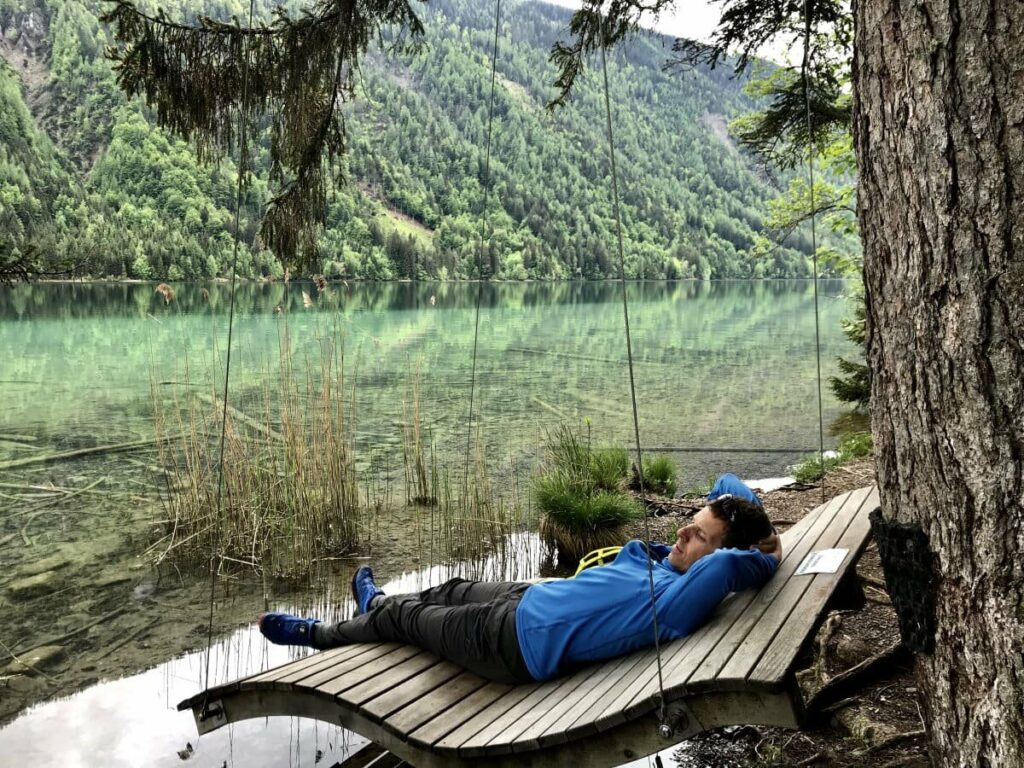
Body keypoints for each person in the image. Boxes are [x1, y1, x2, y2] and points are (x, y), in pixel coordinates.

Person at [260, 477, 781, 684]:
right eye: (692, 519)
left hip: (513, 643)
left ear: (720, 558)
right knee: (448, 588)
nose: (685, 530)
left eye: (699, 536)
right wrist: (744, 523)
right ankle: (375, 607)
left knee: (406, 618)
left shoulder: (681, 597)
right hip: (532, 598)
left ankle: (320, 634)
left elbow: (731, 564)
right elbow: (728, 487)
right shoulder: (672, 562)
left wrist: (767, 551)